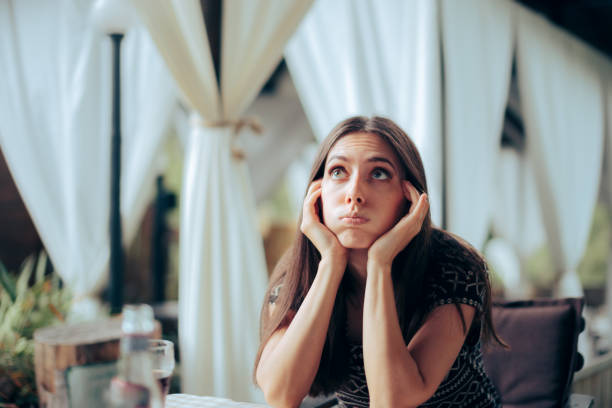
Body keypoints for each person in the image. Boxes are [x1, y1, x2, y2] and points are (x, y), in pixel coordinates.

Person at [254, 116, 504, 408]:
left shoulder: (453, 266)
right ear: (317, 194)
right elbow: (280, 395)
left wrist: (380, 264)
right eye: (338, 172)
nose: (354, 194)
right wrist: (331, 264)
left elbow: (391, 402)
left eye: (379, 174)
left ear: (409, 197)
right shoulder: (303, 268)